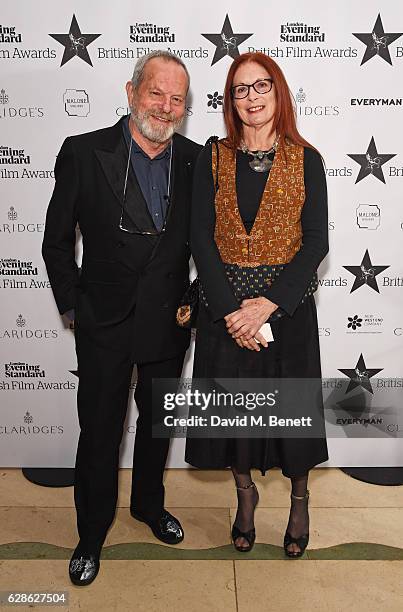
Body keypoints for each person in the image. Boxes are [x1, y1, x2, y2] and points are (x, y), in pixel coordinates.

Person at [42, 50, 201, 585]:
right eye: (156, 92)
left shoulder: (199, 162)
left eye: (177, 98)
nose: (166, 106)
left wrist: (197, 300)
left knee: (156, 430)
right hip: (103, 324)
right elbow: (56, 241)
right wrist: (75, 308)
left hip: (167, 323)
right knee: (100, 432)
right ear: (131, 92)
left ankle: (148, 507)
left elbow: (218, 244)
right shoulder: (83, 153)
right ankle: (90, 532)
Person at [185, 52, 329, 557]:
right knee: (235, 415)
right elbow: (200, 238)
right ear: (230, 100)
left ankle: (299, 499)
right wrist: (232, 312)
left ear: (278, 91)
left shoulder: (307, 158)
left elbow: (315, 244)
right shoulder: (214, 157)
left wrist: (266, 306)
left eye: (260, 86)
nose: (251, 98)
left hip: (285, 312)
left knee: (291, 417)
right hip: (225, 309)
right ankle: (244, 499)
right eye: (240, 89)